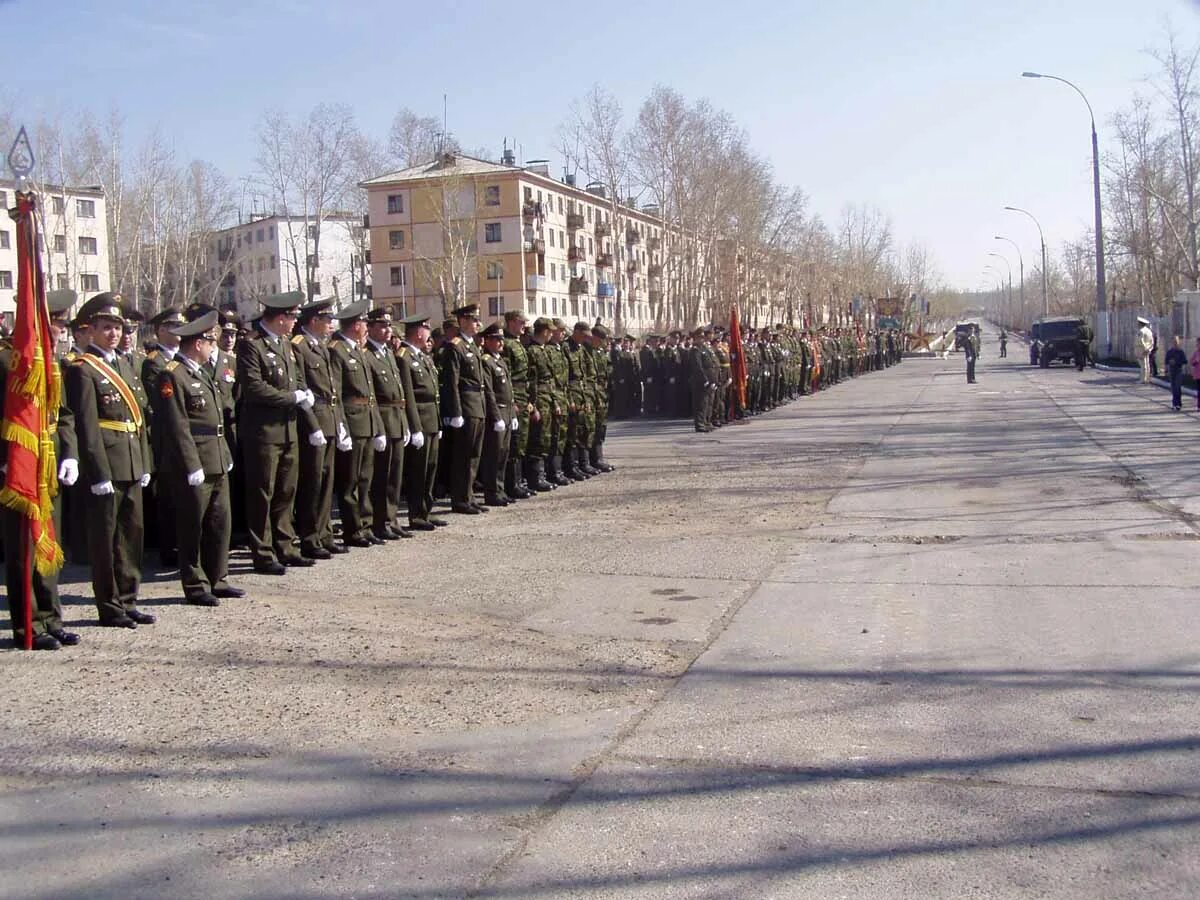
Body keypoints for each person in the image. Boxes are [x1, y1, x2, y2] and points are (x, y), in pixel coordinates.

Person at [64, 292, 154, 628]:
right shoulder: (83, 370)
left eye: (117, 327)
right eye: (106, 327)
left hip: (131, 461)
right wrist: (98, 472)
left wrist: (144, 463)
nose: (114, 334)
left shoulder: (125, 364)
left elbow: (140, 419)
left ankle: (129, 599)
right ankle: (110, 606)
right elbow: (86, 425)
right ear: (91, 331)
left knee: (132, 535)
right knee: (106, 539)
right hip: (107, 464)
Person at [2, 289, 81, 649]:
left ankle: (51, 618)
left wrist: (69, 454)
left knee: (50, 542)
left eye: (61, 324)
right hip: (17, 465)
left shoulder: (54, 362)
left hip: (48, 463)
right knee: (24, 549)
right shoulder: (8, 360)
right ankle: (27, 626)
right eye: (54, 323)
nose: (59, 331)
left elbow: (63, 414)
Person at [154, 310, 244, 606]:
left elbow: (216, 416)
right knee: (193, 524)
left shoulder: (201, 372)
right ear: (196, 343)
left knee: (220, 522)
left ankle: (218, 577)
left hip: (216, 456)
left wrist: (225, 453)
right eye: (209, 341)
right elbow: (177, 424)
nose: (213, 346)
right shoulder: (173, 374)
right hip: (194, 460)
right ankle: (195, 584)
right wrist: (191, 464)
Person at [236, 290, 316, 574]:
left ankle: (286, 546)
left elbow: (297, 380)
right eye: (293, 316)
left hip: (288, 430)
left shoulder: (285, 345)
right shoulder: (251, 345)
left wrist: (303, 396)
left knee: (286, 491)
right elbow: (255, 388)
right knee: (263, 493)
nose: (295, 321)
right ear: (280, 317)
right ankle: (263, 553)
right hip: (264, 432)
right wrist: (293, 398)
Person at [290, 299, 348, 558]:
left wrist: (340, 423)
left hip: (330, 418)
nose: (331, 324)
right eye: (327, 320)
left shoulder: (320, 347)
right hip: (313, 421)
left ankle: (324, 533)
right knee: (312, 483)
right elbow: (302, 389)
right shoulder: (299, 347)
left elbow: (333, 390)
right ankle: (310, 537)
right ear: (313, 321)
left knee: (327, 482)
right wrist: (313, 426)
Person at [329, 300, 383, 547]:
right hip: (352, 420)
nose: (365, 326)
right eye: (363, 322)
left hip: (367, 419)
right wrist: (341, 425)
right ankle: (353, 529)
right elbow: (336, 393)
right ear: (355, 325)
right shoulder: (337, 350)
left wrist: (378, 425)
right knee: (350, 480)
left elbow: (370, 392)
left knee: (365, 478)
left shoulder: (358, 350)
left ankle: (366, 524)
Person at [363, 307, 417, 540]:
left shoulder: (388, 354)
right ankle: (380, 521)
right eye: (382, 326)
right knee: (382, 476)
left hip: (397, 416)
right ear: (371, 328)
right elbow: (373, 395)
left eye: (388, 326)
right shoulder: (367, 355)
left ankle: (392, 519)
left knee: (395, 474)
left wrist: (406, 424)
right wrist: (378, 427)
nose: (388, 330)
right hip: (383, 418)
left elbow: (400, 393)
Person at [397, 313, 445, 531]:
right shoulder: (404, 356)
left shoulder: (423, 356)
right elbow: (408, 394)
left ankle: (426, 509)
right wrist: (415, 427)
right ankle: (416, 514)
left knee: (431, 468)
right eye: (426, 329)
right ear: (418, 332)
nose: (428, 334)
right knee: (418, 470)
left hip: (432, 419)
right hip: (420, 420)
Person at [440, 303, 488, 514]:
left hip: (478, 402)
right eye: (474, 320)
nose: (478, 323)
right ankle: (460, 499)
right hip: (467, 405)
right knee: (463, 455)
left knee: (474, 454)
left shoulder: (471, 345)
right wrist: (456, 412)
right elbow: (452, 382)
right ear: (464, 321)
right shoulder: (455, 346)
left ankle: (468, 496)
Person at [479, 322, 514, 506]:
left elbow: (509, 390)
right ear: (487, 341)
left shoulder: (500, 360)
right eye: (496, 339)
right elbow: (489, 392)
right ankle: (491, 492)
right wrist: (496, 416)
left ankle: (500, 490)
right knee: (493, 454)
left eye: (502, 339)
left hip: (507, 411)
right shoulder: (486, 361)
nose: (500, 342)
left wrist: (513, 415)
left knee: (504, 454)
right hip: (497, 412)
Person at [1165, 335, 1187, 411]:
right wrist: (1167, 368)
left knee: (1178, 388)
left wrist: (1177, 362)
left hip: (1178, 370)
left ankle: (1178, 404)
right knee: (1173, 388)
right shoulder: (1169, 352)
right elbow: (1166, 361)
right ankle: (1174, 404)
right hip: (1171, 371)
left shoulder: (1180, 352)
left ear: (1178, 342)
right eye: (1173, 342)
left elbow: (1185, 361)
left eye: (1176, 342)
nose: (1175, 343)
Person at [1136, 317, 1155, 385]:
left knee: (1143, 365)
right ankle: (1147, 378)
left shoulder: (1141, 331)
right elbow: (1152, 341)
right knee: (1147, 364)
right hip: (1147, 349)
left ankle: (1142, 379)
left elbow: (1140, 341)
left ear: (1140, 324)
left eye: (1138, 323)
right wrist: (1149, 349)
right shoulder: (1149, 331)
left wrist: (1144, 349)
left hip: (1141, 349)